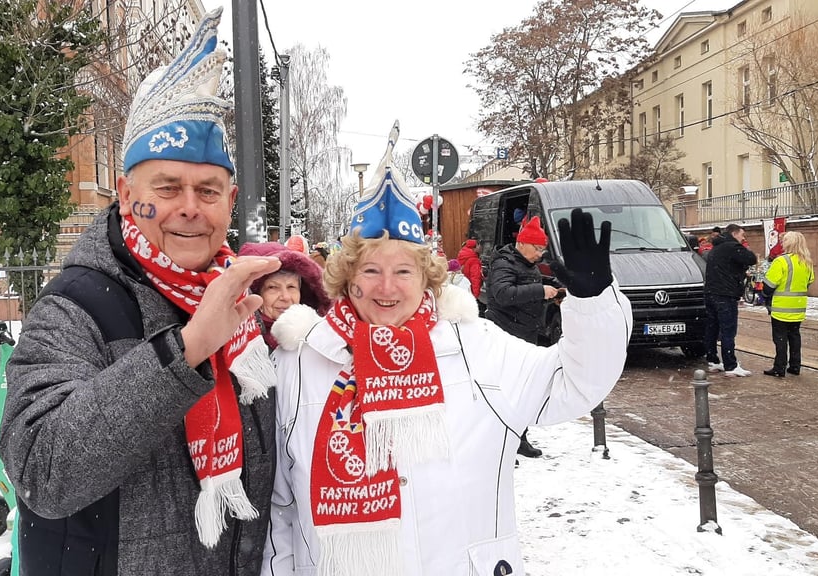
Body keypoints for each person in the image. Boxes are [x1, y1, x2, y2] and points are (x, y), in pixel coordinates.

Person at [260, 124, 631, 576]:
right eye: (371, 269)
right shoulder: (298, 361)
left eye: (404, 271)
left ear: (428, 278)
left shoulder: (474, 347)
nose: (387, 287)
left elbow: (573, 383)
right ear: (346, 277)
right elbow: (282, 507)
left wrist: (592, 305)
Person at [0, 9, 281, 575]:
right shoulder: (76, 306)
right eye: (167, 187)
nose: (189, 209)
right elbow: (41, 470)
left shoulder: (243, 304)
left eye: (208, 190)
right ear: (127, 194)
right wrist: (185, 352)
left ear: (232, 199)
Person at [484, 215, 562, 457]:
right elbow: (502, 293)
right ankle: (501, 442)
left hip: (526, 333)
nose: (540, 254)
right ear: (523, 243)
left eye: (542, 249)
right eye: (538, 248)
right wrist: (540, 290)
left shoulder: (527, 264)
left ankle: (519, 438)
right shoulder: (504, 262)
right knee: (505, 389)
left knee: (524, 389)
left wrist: (552, 293)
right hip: (506, 334)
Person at [238, 242, 331, 350]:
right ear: (253, 294)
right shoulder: (239, 347)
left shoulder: (320, 341)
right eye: (272, 287)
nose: (285, 297)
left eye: (291, 287)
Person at [703, 223, 758, 377]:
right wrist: (744, 248)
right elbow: (751, 258)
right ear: (734, 234)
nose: (743, 238)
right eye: (742, 235)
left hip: (711, 293)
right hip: (726, 294)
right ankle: (730, 365)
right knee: (728, 329)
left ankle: (712, 359)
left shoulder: (715, 248)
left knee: (712, 328)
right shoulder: (732, 247)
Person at [762, 231, 815, 377]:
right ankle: (795, 366)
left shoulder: (781, 261)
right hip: (798, 307)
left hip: (781, 307)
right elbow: (809, 282)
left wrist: (765, 295)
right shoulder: (807, 262)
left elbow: (769, 286)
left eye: (784, 241)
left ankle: (779, 367)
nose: (782, 243)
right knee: (794, 336)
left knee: (780, 338)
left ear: (789, 243)